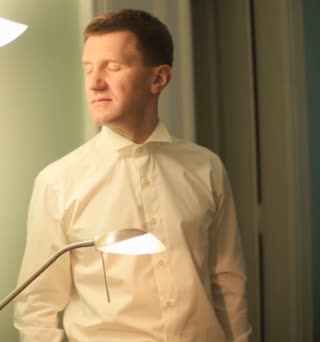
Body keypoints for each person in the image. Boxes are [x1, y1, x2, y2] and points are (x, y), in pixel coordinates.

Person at [13, 9, 251, 342]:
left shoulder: (206, 168)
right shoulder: (58, 182)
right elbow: (37, 307)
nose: (95, 82)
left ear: (159, 79)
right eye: (88, 69)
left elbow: (228, 281)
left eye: (113, 67)